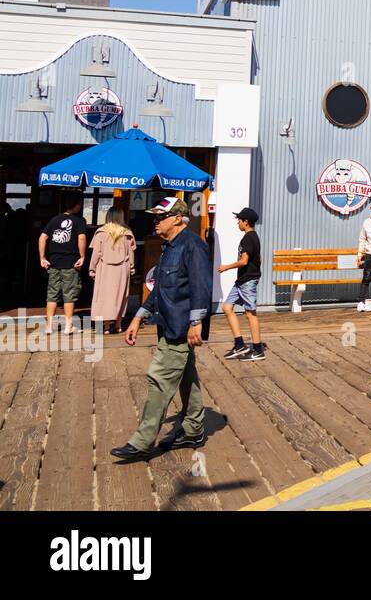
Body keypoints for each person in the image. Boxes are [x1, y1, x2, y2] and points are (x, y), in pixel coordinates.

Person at [111, 196, 211, 462]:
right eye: (154, 217)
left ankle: (142, 441)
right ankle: (193, 429)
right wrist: (138, 317)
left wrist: (196, 322)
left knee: (159, 377)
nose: (155, 221)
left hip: (182, 326)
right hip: (167, 324)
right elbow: (160, 289)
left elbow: (201, 287)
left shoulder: (193, 245)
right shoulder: (169, 246)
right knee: (186, 375)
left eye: (160, 217)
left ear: (177, 218)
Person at [216, 207, 265, 361]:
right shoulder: (253, 237)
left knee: (250, 313)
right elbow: (259, 258)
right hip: (242, 281)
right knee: (227, 307)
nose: (238, 222)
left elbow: (244, 261)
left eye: (240, 220)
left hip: (247, 281)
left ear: (246, 222)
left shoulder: (248, 238)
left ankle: (257, 350)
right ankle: (239, 344)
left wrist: (225, 267)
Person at [39, 195, 87, 335]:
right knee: (69, 294)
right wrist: (82, 256)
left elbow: (42, 237)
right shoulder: (78, 221)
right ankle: (68, 326)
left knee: (52, 294)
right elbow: (82, 237)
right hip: (71, 263)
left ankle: (48, 326)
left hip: (53, 262)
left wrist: (42, 257)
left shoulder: (54, 220)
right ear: (77, 206)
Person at [89, 209, 136, 334]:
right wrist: (131, 267)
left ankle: (106, 326)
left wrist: (92, 268)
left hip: (104, 267)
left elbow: (96, 253)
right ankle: (118, 324)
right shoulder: (127, 233)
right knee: (120, 295)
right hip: (122, 268)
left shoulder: (100, 233)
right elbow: (130, 253)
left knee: (104, 296)